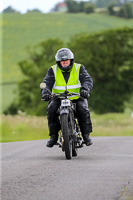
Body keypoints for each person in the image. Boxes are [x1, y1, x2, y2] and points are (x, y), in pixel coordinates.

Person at [41, 48, 93, 148]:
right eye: (62, 61)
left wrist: (85, 89)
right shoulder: (52, 70)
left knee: (83, 110)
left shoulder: (79, 68)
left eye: (66, 60)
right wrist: (45, 93)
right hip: (58, 98)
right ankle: (53, 137)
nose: (64, 62)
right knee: (51, 110)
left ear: (71, 60)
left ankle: (86, 136)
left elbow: (87, 80)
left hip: (77, 97)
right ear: (58, 62)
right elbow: (47, 83)